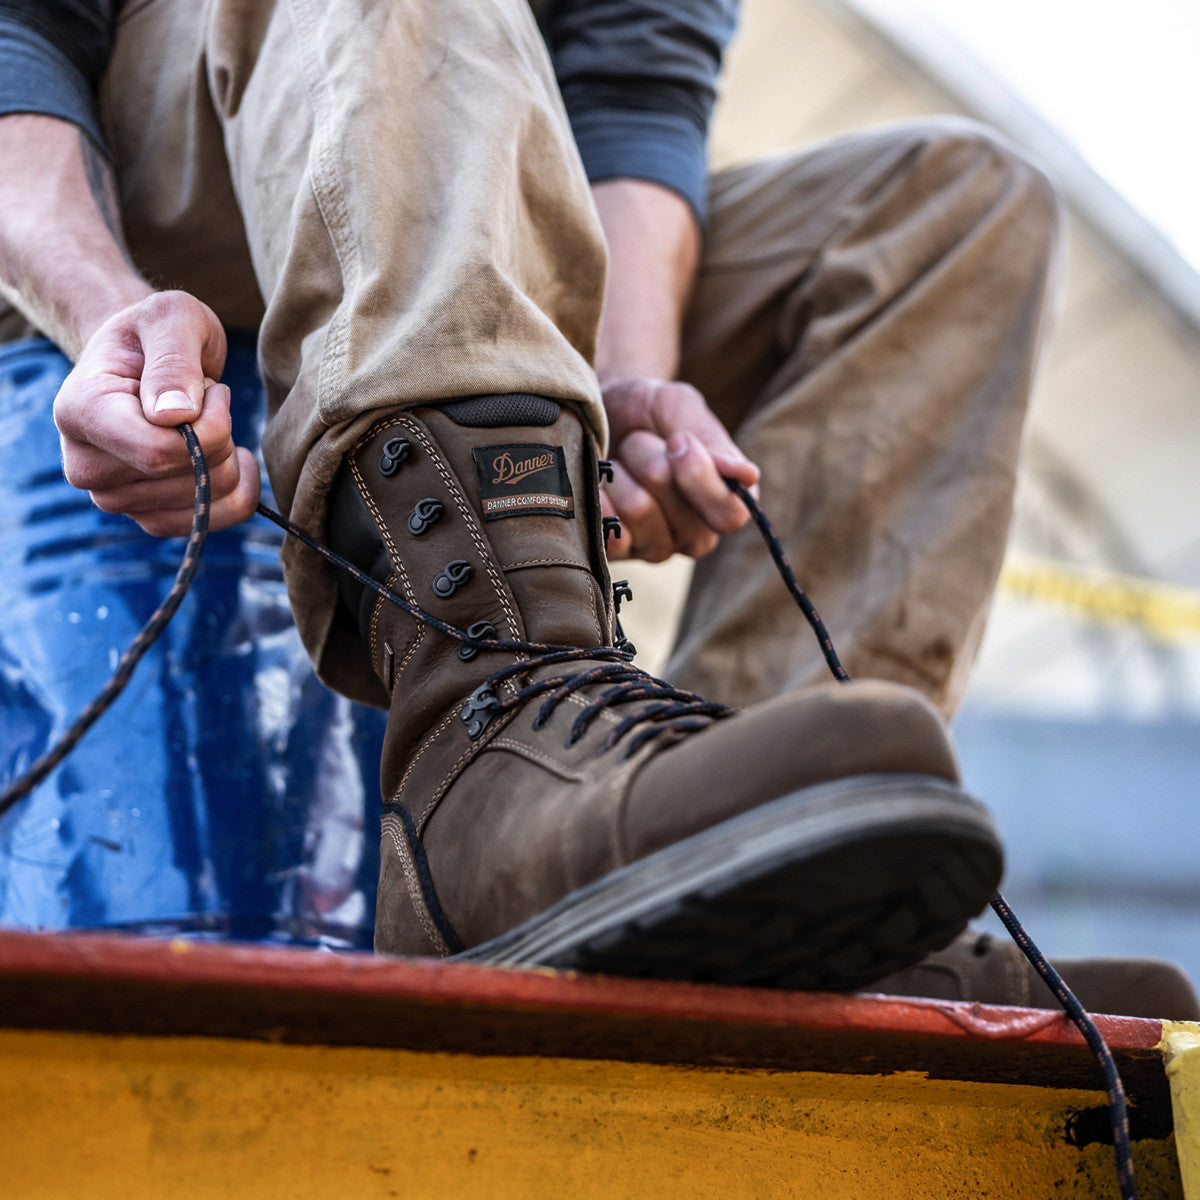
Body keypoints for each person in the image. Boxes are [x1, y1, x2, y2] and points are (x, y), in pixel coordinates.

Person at [1, 0, 1182, 1012]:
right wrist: (105, 311)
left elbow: (631, 98)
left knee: (956, 208)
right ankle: (483, 744)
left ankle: (754, 846)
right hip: (176, 181)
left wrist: (625, 377)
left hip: (480, 208)